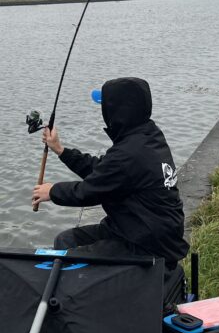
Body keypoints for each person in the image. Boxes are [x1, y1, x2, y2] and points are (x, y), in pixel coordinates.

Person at [30, 77, 189, 275]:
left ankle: (82, 299)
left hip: (146, 243)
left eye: (105, 107)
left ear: (117, 112)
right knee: (65, 240)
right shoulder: (148, 136)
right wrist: (61, 150)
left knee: (69, 258)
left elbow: (88, 192)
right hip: (137, 228)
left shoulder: (130, 152)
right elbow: (104, 171)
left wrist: (52, 191)